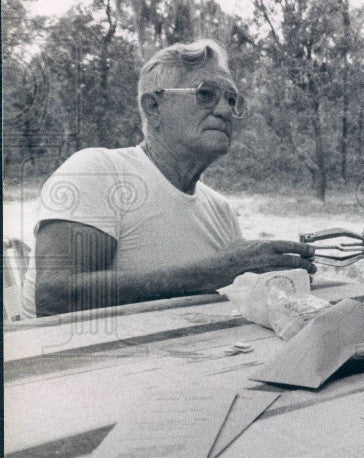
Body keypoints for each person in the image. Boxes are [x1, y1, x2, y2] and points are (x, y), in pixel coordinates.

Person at [22, 39, 315, 317]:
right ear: (153, 107)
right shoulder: (100, 171)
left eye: (232, 99)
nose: (226, 110)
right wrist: (212, 272)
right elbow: (53, 298)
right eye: (205, 94)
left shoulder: (220, 209)